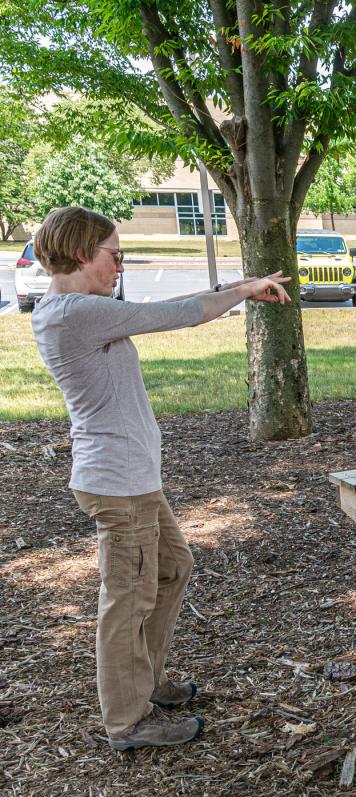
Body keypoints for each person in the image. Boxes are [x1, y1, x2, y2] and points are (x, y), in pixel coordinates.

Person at [31, 206, 290, 751]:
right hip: (118, 484)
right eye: (114, 254)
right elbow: (179, 312)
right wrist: (244, 290)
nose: (119, 266)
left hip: (133, 479)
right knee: (126, 597)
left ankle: (145, 682)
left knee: (172, 569)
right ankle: (127, 721)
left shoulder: (79, 309)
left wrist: (241, 286)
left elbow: (179, 309)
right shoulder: (75, 311)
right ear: (82, 253)